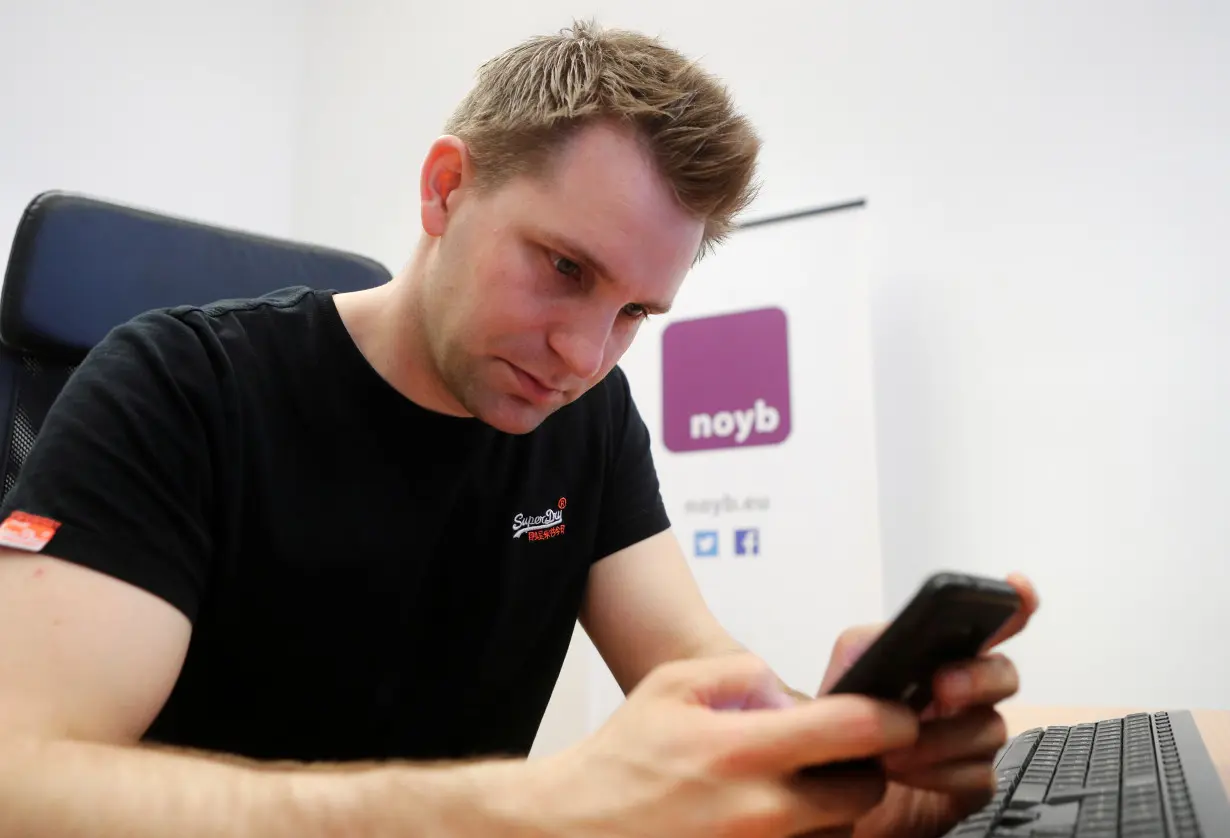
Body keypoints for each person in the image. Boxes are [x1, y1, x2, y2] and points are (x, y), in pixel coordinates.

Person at [0, 19, 1039, 838]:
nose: (585, 357)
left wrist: (850, 750)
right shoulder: (176, 386)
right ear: (446, 188)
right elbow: (18, 781)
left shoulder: (583, 423)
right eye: (566, 269)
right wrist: (538, 811)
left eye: (635, 312)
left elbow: (702, 680)